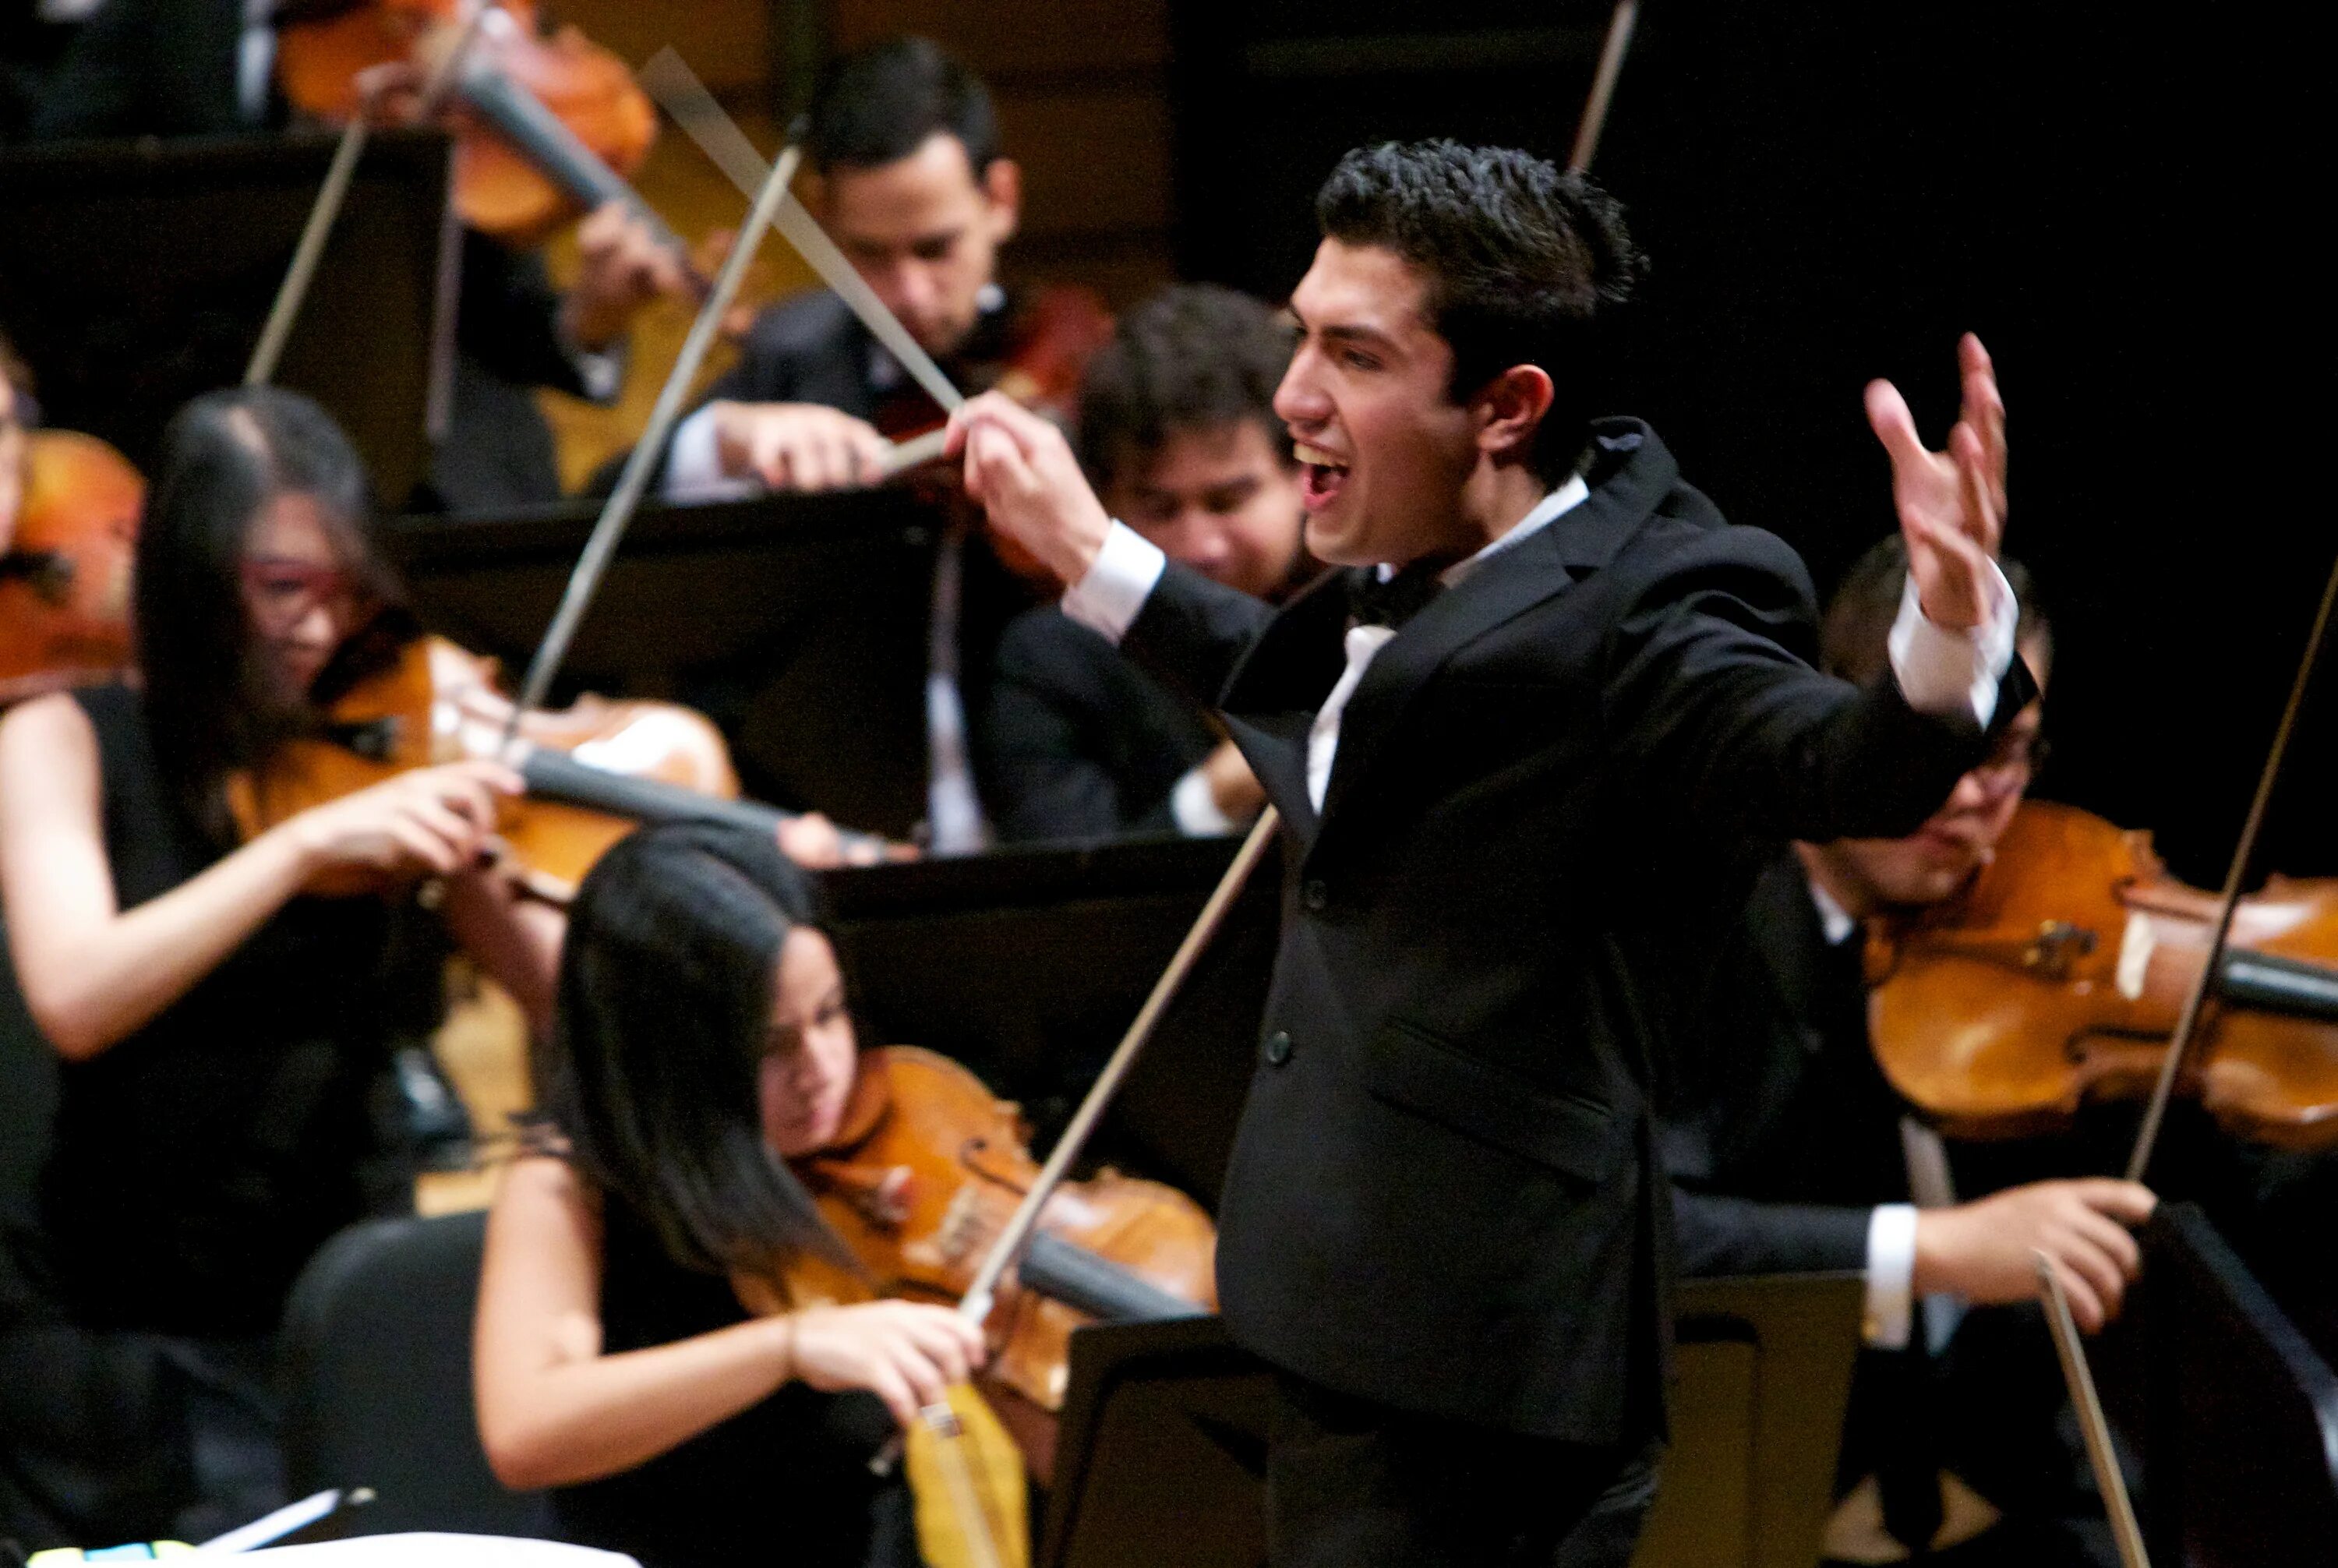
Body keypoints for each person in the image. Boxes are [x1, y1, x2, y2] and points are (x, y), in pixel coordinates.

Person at [943, 139, 2036, 1566]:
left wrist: (1948, 637)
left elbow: (1841, 765)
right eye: (1299, 339)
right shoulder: (1424, 544)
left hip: (1484, 1390)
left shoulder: (1657, 607)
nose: (1293, 399)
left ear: (1508, 405)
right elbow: (1326, 709)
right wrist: (1092, 553)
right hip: (1356, 1329)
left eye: (1353, 354)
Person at [0, 386, 562, 1549]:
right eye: (283, 591)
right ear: (194, 580)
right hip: (127, 1326)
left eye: (346, 593)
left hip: (336, 1298)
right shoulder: (62, 741)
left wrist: (470, 851)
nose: (318, 630)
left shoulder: (375, 746)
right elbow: (76, 996)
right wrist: (303, 847)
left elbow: (555, 991)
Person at [1665, 538, 2156, 1565]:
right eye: (1935, 743)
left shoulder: (2063, 923)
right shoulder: (1697, 930)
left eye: (2009, 750)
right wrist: (1936, 1253)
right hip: (1781, 1508)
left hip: (2027, 1491)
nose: (1975, 793)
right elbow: (1654, 1227)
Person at [473, 819, 986, 1568]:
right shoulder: (570, 1181)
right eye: (772, 1047)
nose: (822, 1070)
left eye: (830, 1014)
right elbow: (524, 1432)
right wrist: (786, 1347)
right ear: (669, 1053)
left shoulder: (891, 1142)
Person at [648, 34, 1111, 853]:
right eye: (869, 255)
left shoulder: (1073, 360)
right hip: (832, 825)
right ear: (823, 218)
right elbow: (617, 505)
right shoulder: (791, 355)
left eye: (936, 249)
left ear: (999, 200)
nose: (906, 295)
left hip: (1041, 826)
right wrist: (728, 439)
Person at [23, 0, 686, 511]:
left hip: (432, 435)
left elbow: (503, 320)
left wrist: (586, 320)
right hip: (203, 411)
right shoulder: (158, 23)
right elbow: (44, 215)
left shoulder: (451, 32)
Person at [978, 284, 1305, 842]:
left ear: (1304, 474)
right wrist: (1219, 793)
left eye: (1229, 501)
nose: (1200, 545)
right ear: (1105, 499)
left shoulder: (1363, 621)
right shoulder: (1050, 662)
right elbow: (1068, 897)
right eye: (1159, 507)